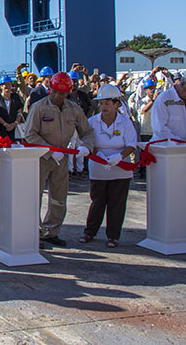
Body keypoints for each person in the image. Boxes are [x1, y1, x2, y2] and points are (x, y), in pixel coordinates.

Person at [25, 72, 95, 246]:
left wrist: (86, 146)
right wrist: (49, 151)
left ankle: (51, 231)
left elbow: (87, 131)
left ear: (68, 93)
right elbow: (29, 134)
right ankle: (33, 232)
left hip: (62, 159)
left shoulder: (74, 109)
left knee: (59, 196)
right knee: (35, 196)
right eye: (54, 91)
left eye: (61, 93)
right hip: (40, 157)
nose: (57, 96)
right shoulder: (39, 107)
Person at [79, 84, 137, 248]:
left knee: (117, 203)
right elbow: (88, 140)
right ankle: (89, 232)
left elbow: (132, 143)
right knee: (97, 200)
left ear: (116, 104)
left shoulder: (125, 122)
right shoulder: (92, 121)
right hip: (99, 165)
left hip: (120, 165)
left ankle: (113, 235)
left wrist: (120, 156)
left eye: (107, 103)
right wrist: (98, 154)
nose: (103, 107)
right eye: (101, 103)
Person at [151, 67, 186, 143]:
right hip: (164, 148)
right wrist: (180, 143)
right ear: (182, 84)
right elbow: (160, 129)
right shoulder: (164, 99)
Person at [0, 75, 24, 141]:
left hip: (14, 130)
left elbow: (19, 112)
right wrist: (5, 124)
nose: (7, 87)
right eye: (5, 85)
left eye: (9, 84)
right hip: (0, 130)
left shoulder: (16, 97)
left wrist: (14, 124)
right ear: (1, 86)